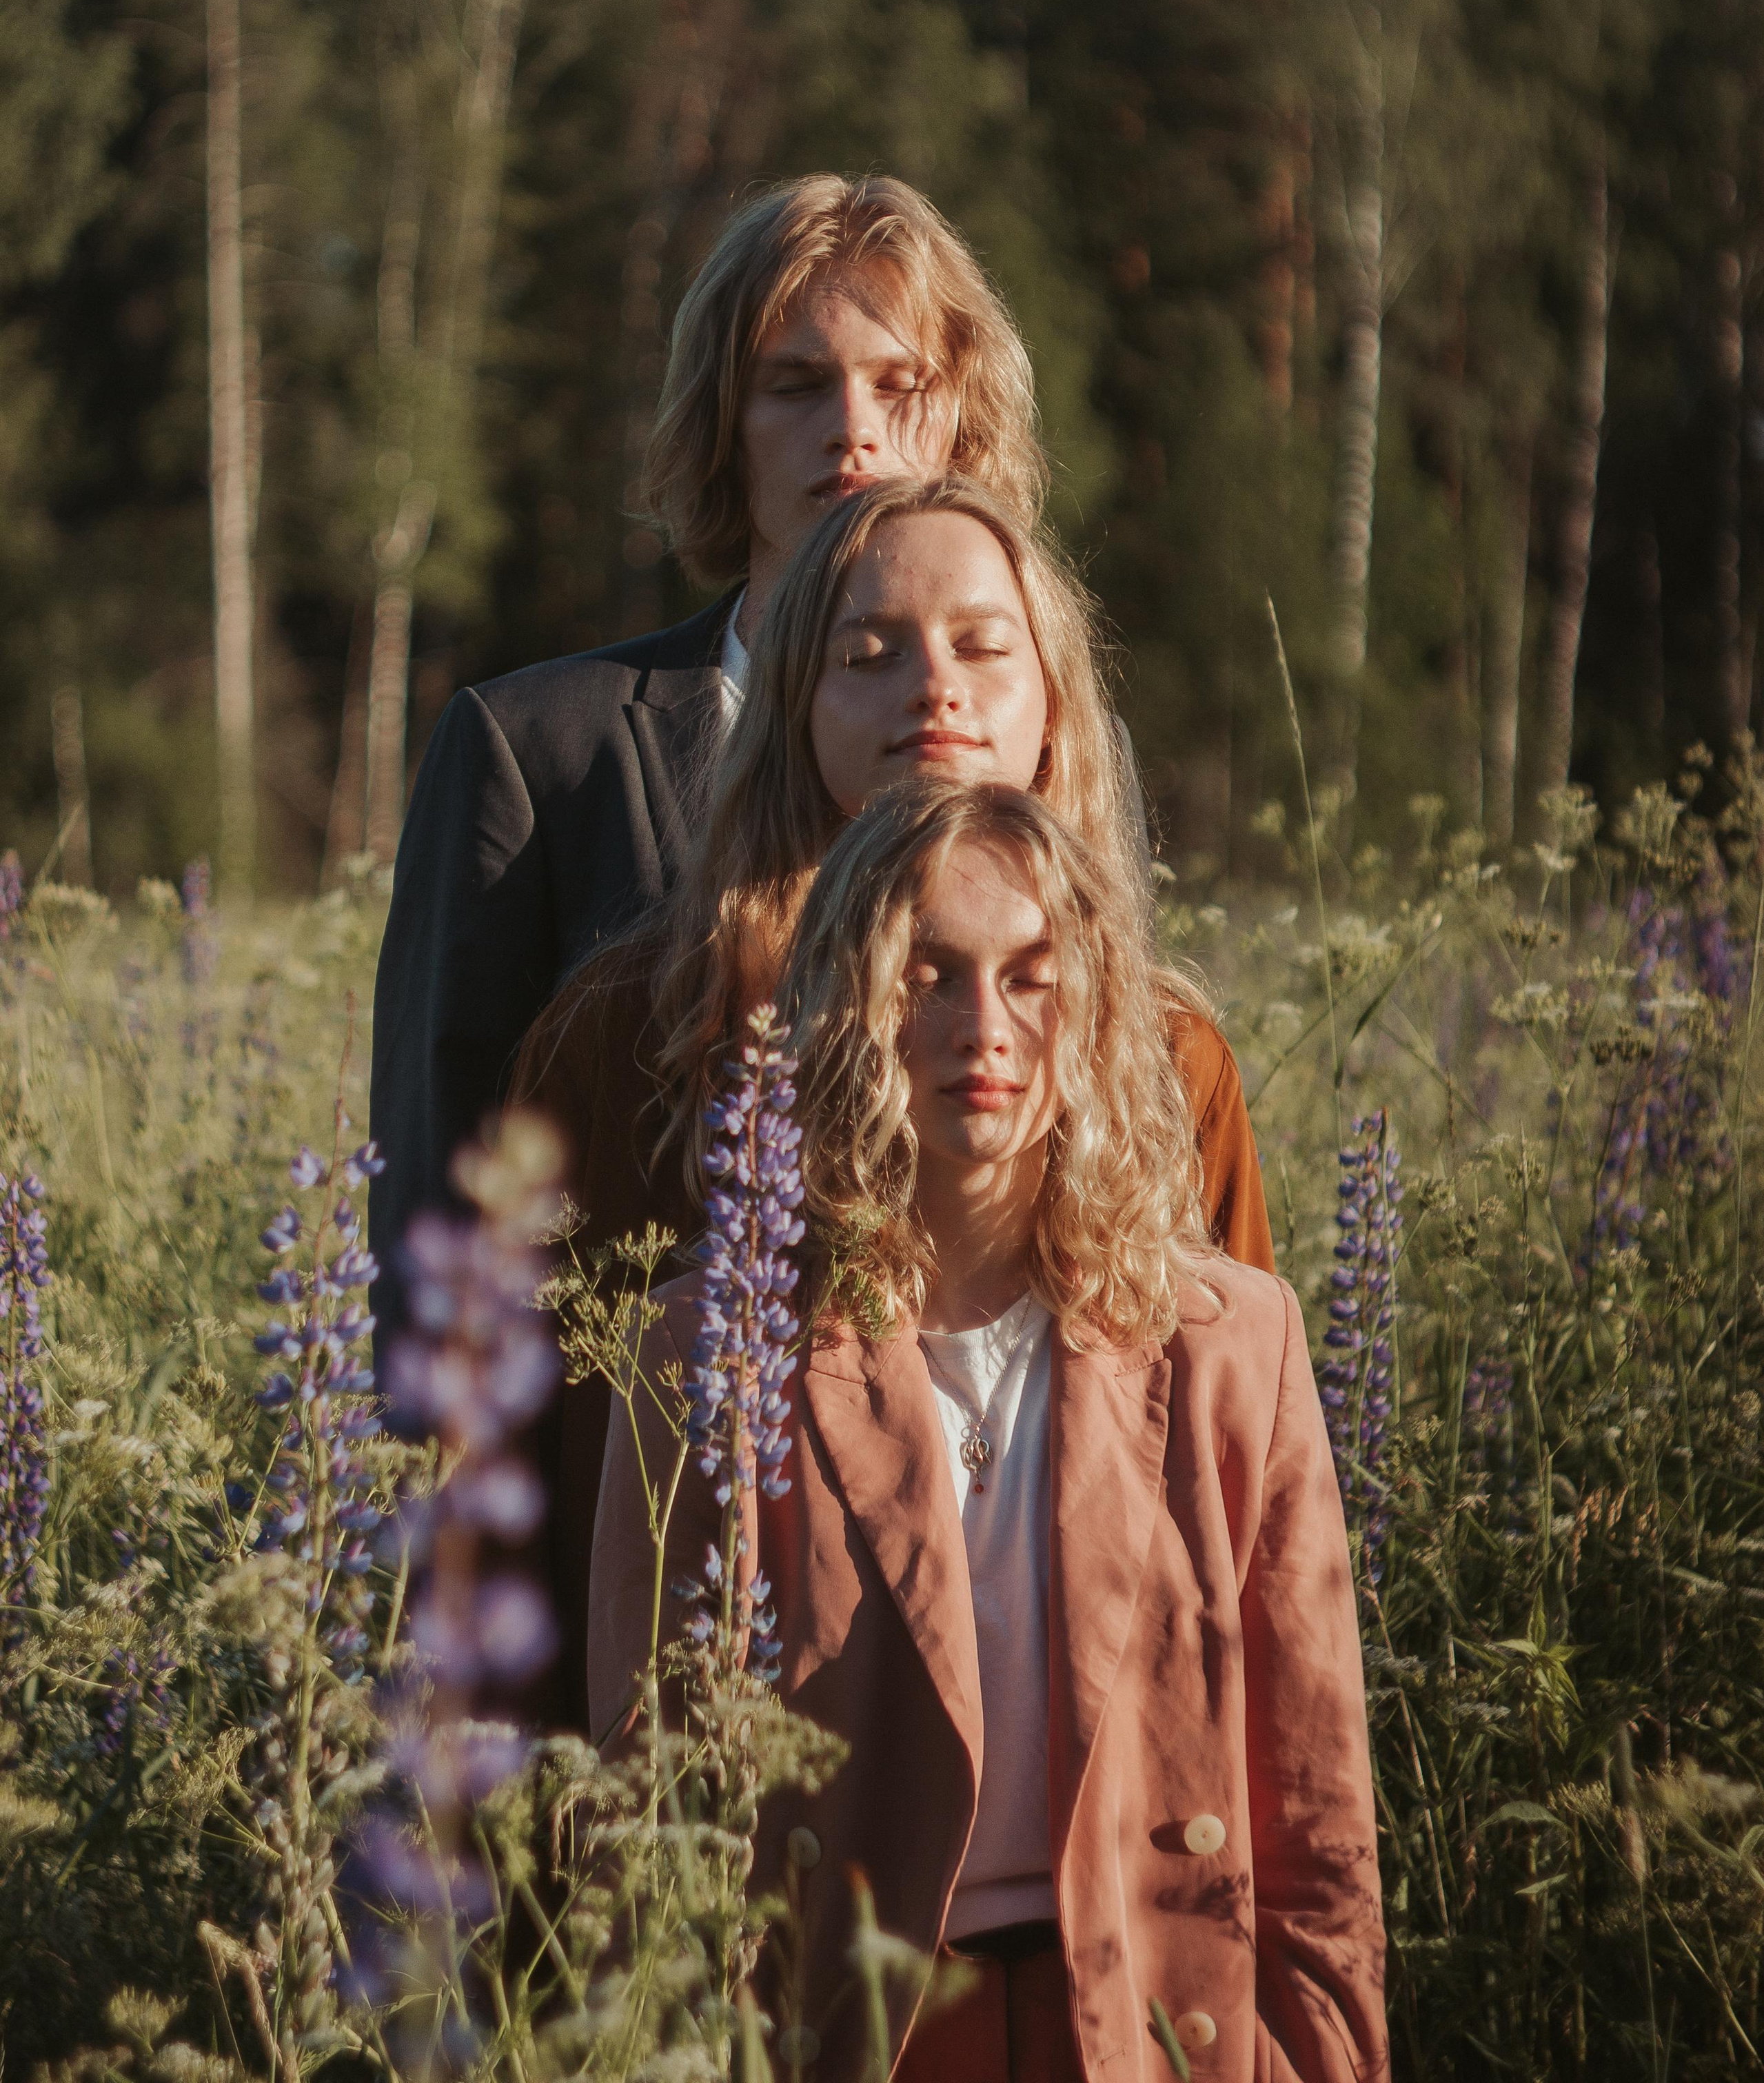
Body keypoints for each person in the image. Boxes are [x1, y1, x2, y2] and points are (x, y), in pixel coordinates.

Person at [588, 783, 1388, 2083]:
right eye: (930, 976)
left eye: (1032, 977)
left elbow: (1318, 1827)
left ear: (1095, 1009)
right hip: (861, 2034)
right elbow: (648, 1819)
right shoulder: (710, 1350)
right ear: (852, 1006)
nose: (985, 1029)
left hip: (1155, 2024)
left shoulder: (1234, 1343)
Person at [512, 474, 1274, 1725]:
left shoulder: (1166, 1056)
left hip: (1101, 1815)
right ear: (793, 707)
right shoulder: (637, 1039)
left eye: (985, 646)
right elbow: (521, 1473)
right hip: (731, 1824)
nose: (937, 687)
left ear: (1053, 706)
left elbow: (1236, 1496)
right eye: (869, 655)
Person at [369, 174, 1045, 1348]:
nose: (854, 428)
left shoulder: (1046, 740)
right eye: (796, 385)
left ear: (961, 420)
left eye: (901, 384)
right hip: (641, 1463)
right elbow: (441, 1197)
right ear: (722, 425)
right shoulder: (536, 754)